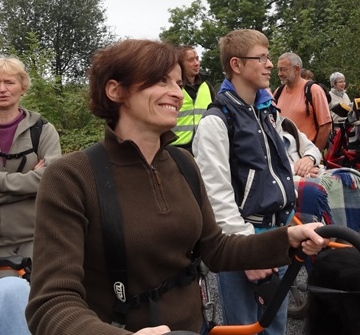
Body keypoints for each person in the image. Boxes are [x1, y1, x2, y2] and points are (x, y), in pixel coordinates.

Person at [26, 39, 327, 335]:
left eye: (178, 83)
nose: (177, 93)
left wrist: (286, 239)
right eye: (161, 81)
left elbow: (217, 249)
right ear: (115, 90)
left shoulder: (184, 164)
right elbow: (51, 304)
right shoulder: (71, 177)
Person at [193, 30, 314, 335]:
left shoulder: (268, 113)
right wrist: (247, 251)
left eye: (269, 57)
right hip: (244, 240)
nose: (270, 64)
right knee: (246, 327)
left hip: (281, 235)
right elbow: (215, 197)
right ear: (236, 64)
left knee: (276, 324)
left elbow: (307, 146)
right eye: (261, 58)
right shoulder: (217, 121)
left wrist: (309, 160)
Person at [0, 56, 62, 261]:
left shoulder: (42, 130)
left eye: (9, 82)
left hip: (33, 241)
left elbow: (51, 179)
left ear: (22, 88)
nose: (2, 89)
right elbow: (38, 181)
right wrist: (28, 184)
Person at [275, 53, 332, 151]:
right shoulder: (278, 92)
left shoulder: (314, 90)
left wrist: (314, 155)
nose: (279, 74)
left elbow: (326, 126)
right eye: (278, 70)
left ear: (296, 69)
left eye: (283, 69)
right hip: (284, 155)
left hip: (305, 154)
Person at [171, 46, 214, 153]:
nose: (196, 63)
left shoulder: (207, 86)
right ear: (180, 64)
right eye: (191, 60)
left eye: (197, 58)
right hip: (177, 145)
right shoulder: (173, 87)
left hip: (204, 145)